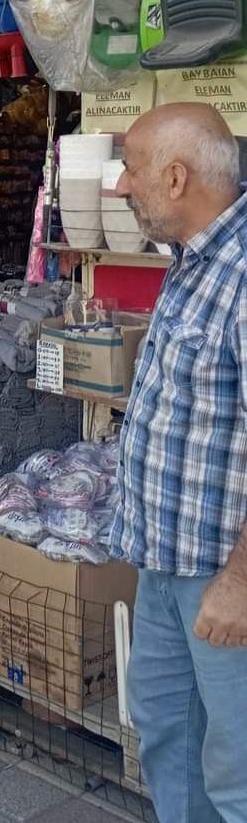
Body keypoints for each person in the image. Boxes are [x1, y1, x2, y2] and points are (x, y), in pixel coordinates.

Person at [111, 102, 247, 823]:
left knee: (238, 770)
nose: (119, 185)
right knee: (166, 731)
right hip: (164, 562)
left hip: (223, 578)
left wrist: (241, 583)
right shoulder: (193, 263)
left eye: (130, 169)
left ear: (174, 177)